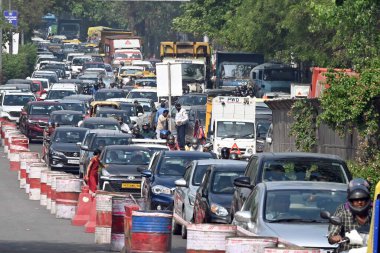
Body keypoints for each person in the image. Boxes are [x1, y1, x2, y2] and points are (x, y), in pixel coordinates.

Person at [328, 184, 372, 252]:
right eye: (356, 200)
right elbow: (331, 237)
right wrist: (334, 238)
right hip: (347, 251)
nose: (359, 202)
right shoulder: (343, 214)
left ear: (367, 200)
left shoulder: (374, 214)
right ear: (351, 202)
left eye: (362, 199)